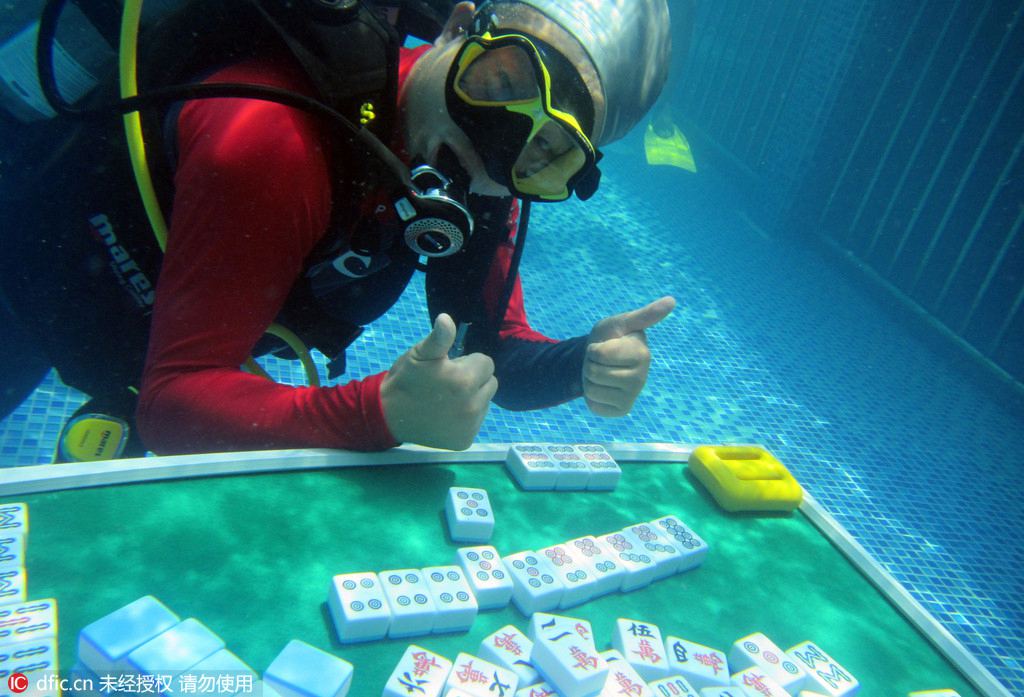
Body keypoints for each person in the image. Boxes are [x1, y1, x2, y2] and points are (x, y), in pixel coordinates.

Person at [0, 0, 674, 460]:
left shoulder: (492, 183)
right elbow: (173, 406)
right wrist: (378, 412)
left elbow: (491, 352)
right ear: (456, 29)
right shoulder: (273, 141)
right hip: (32, 278)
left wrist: (582, 365)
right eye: (502, 82)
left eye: (549, 150)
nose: (493, 140)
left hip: (135, 348)